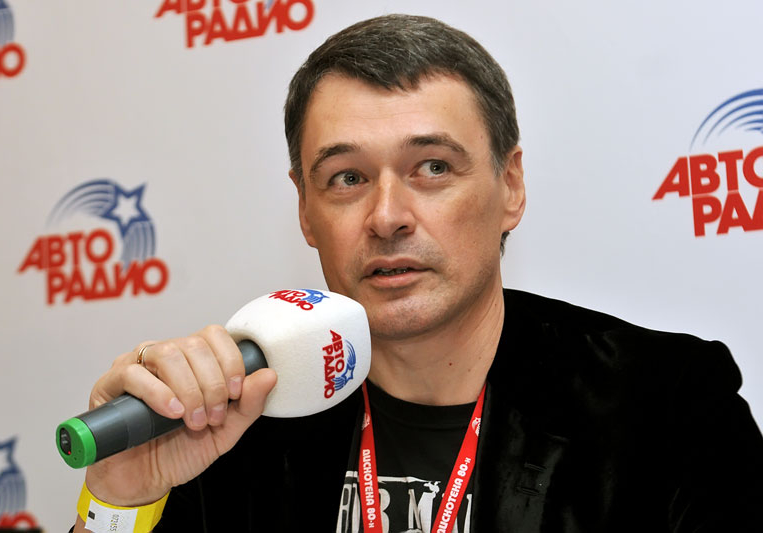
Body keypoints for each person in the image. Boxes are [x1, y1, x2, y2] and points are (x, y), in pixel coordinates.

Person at [71, 14, 763, 533]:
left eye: (432, 167)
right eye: (347, 178)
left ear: (510, 186)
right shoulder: (232, 419)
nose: (387, 216)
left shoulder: (666, 404)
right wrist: (121, 498)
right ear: (306, 212)